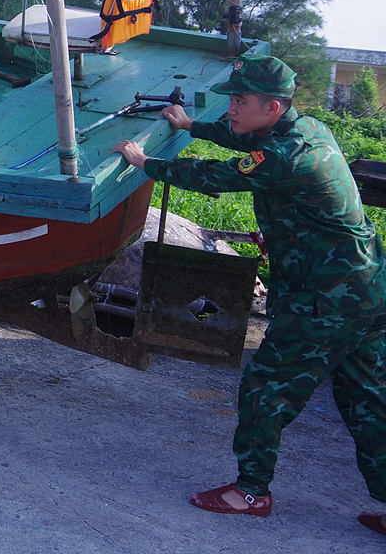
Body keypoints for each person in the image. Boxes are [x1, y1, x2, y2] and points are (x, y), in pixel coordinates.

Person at [113, 54, 385, 533]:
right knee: (367, 400)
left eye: (239, 101)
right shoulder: (305, 129)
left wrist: (145, 162)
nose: (231, 109)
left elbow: (218, 175)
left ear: (272, 107)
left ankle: (251, 493)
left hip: (326, 298)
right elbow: (244, 140)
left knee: (265, 389)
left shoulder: (286, 155)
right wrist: (193, 125)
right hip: (364, 289)